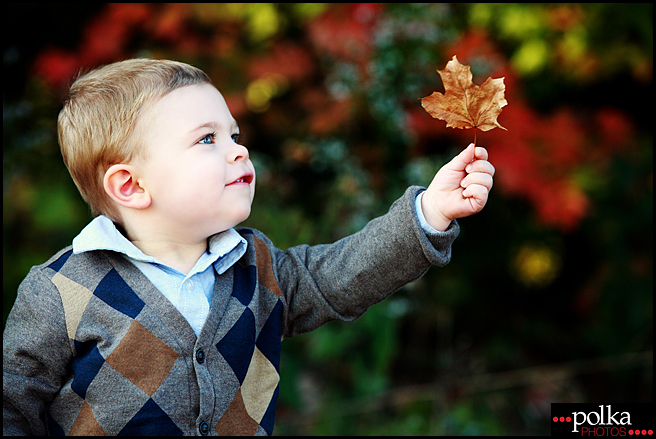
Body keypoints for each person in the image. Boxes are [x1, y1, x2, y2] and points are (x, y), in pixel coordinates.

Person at [3, 58, 495, 436]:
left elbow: (340, 276)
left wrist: (429, 212)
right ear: (130, 187)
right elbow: (12, 405)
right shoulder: (60, 291)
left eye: (233, 134)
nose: (238, 149)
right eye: (206, 140)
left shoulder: (254, 267)